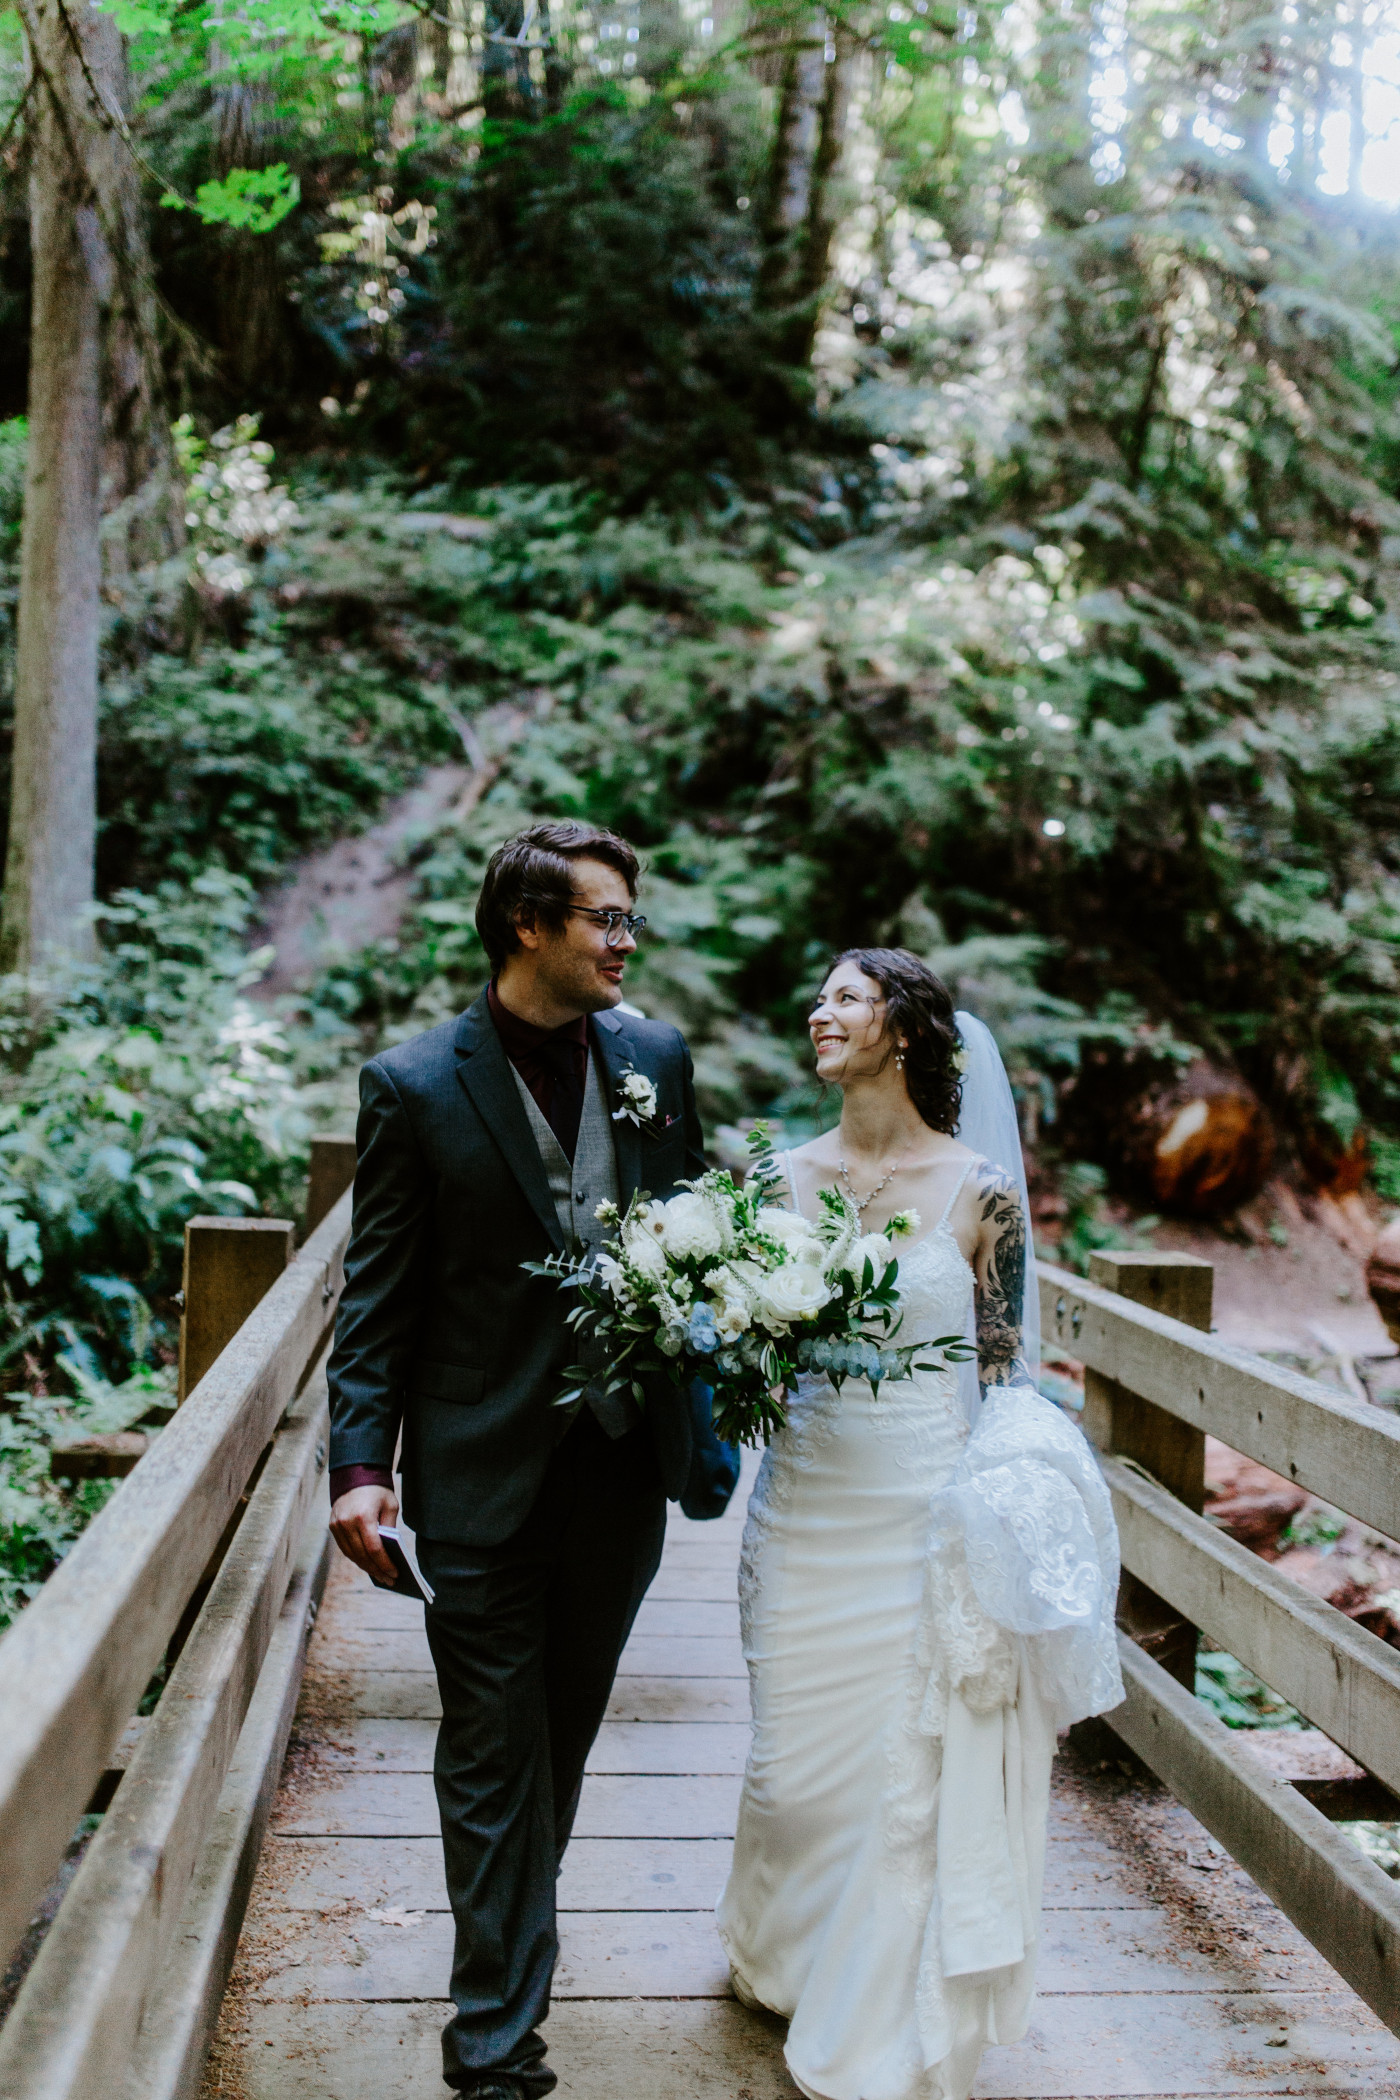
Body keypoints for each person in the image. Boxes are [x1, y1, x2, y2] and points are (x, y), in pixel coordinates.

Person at [326, 820, 707, 2099]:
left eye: (628, 920)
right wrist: (356, 1468)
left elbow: (697, 1240)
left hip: (618, 1467)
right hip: (477, 1468)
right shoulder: (415, 1082)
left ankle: (509, 1957)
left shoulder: (654, 1055)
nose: (625, 941)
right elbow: (375, 1294)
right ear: (527, 926)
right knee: (491, 1752)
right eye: (605, 918)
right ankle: (495, 2048)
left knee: (560, 1735)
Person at [717, 947, 1123, 2100]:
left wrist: (1009, 1523)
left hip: (915, 1509)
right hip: (800, 1501)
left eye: (844, 997)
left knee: (896, 1770)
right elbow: (744, 1350)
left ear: (902, 1029)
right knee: (792, 1770)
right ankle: (781, 1949)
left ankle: (878, 1994)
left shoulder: (980, 1191)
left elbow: (1005, 1372)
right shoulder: (773, 1178)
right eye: (819, 997)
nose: (818, 1013)